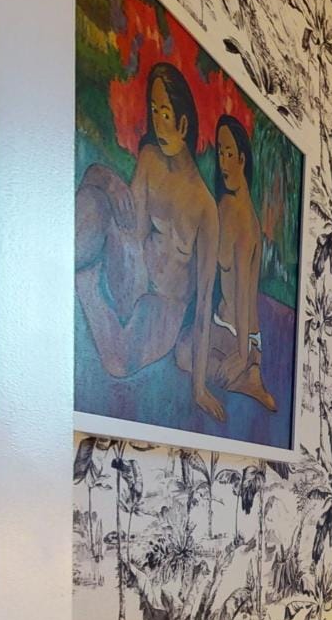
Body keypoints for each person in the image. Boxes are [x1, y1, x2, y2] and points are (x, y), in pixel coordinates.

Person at [75, 61, 226, 422]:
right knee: (95, 200)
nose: (159, 122)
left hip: (164, 306)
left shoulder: (205, 207)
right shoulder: (150, 159)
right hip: (134, 276)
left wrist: (199, 389)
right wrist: (105, 179)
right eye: (154, 110)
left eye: (166, 113)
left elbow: (204, 301)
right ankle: (60, 264)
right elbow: (130, 225)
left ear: (184, 123)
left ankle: (84, 283)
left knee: (118, 362)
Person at [210, 115, 277, 411]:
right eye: (219, 153)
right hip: (221, 322)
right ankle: (250, 374)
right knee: (184, 354)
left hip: (239, 333)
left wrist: (244, 352)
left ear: (242, 158)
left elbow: (245, 295)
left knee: (186, 356)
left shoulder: (246, 222)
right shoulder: (223, 206)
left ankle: (251, 373)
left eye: (229, 153)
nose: (223, 162)